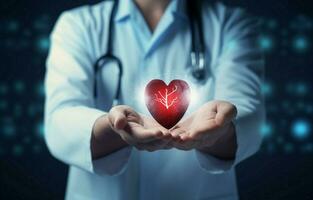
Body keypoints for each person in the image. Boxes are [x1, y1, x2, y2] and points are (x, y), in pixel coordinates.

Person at [44, 0, 265, 199]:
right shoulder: (78, 25)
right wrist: (112, 127)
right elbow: (59, 121)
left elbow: (248, 116)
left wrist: (220, 129)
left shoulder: (231, 24)